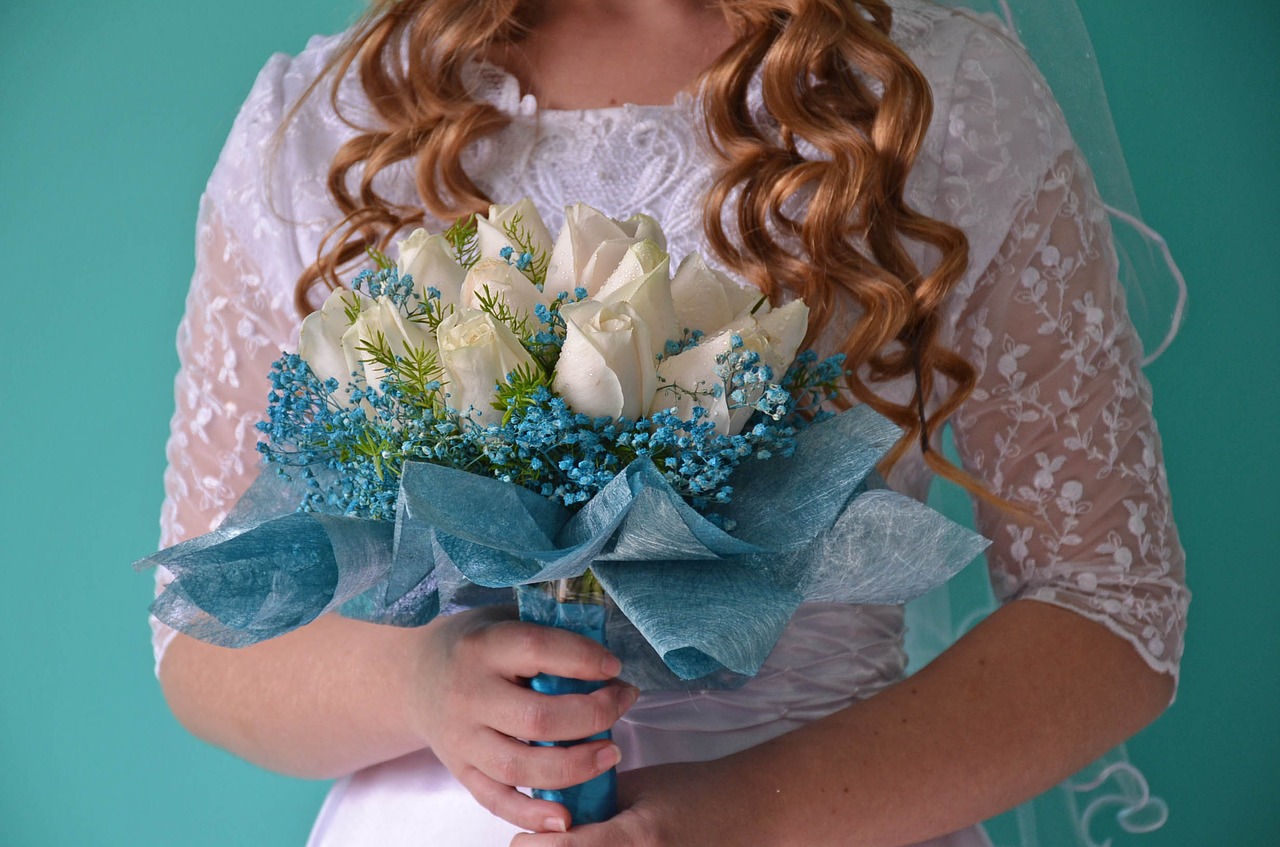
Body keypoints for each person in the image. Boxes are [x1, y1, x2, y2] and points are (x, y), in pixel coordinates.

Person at [150, 0, 1189, 844]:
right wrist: (422, 682)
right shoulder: (322, 121)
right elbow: (201, 634)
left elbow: (1108, 610)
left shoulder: (935, 96)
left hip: (823, 817)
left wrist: (731, 820)